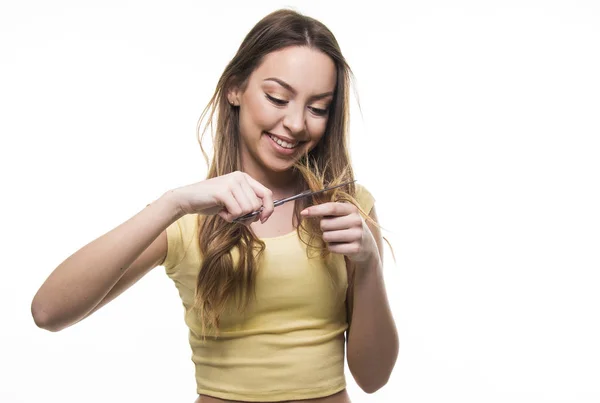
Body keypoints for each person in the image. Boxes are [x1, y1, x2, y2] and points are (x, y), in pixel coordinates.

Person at [31, 8, 399, 403]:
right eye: (277, 97)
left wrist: (368, 262)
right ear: (235, 88)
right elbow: (48, 312)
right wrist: (174, 203)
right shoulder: (189, 219)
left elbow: (374, 377)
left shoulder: (346, 211)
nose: (295, 123)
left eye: (317, 108)